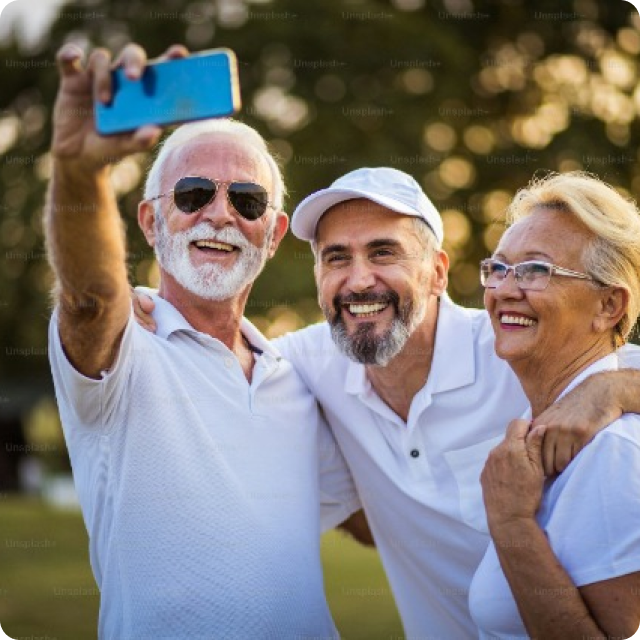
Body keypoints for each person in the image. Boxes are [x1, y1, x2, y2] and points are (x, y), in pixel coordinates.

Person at [136, 166, 640, 638]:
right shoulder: (304, 365)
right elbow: (214, 364)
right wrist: (141, 316)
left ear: (438, 273)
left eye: (383, 253)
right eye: (336, 257)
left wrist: (612, 389)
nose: (358, 280)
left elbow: (607, 359)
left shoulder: (517, 345)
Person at [44, 42, 359, 639]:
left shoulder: (295, 376)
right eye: (192, 194)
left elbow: (381, 502)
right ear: (150, 220)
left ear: (272, 235)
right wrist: (78, 171)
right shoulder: (126, 348)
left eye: (247, 200)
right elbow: (89, 299)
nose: (219, 215)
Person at [468, 172, 640, 638]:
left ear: (608, 306)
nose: (504, 289)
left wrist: (510, 522)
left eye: (536, 271)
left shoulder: (613, 453)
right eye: (498, 268)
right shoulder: (543, 417)